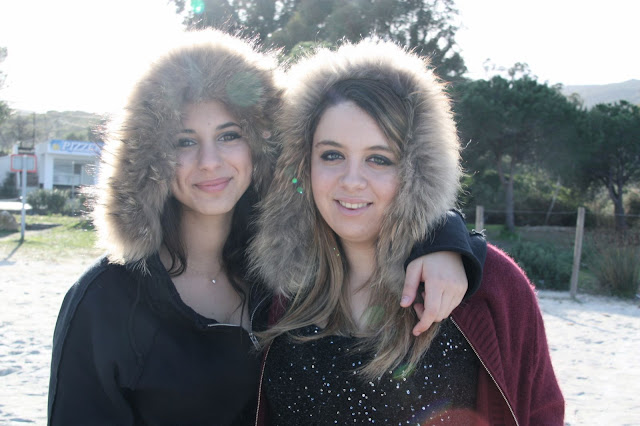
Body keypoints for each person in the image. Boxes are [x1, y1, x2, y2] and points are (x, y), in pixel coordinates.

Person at [47, 31, 486, 425]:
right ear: (149, 159)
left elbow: (378, 219)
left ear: (260, 144)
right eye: (184, 141)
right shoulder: (106, 299)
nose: (210, 161)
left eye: (229, 135)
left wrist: (444, 239)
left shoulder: (283, 277)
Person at [251, 39, 564, 425]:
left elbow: (541, 412)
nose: (352, 180)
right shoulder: (278, 292)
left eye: (379, 159)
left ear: (417, 172)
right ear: (303, 165)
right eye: (332, 155)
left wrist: (448, 236)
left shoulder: (491, 287)